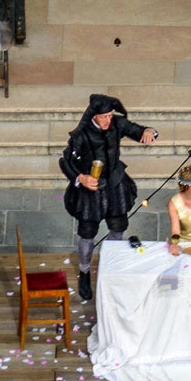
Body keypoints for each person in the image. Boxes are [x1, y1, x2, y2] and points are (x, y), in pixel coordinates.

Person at [59, 93, 160, 301]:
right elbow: (65, 161)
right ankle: (85, 271)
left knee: (118, 227)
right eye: (103, 116)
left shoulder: (117, 124)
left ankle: (113, 267)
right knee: (87, 232)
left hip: (115, 184)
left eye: (110, 116)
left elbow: (137, 130)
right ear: (94, 116)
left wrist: (150, 131)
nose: (107, 120)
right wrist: (81, 178)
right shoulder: (81, 134)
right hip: (91, 188)